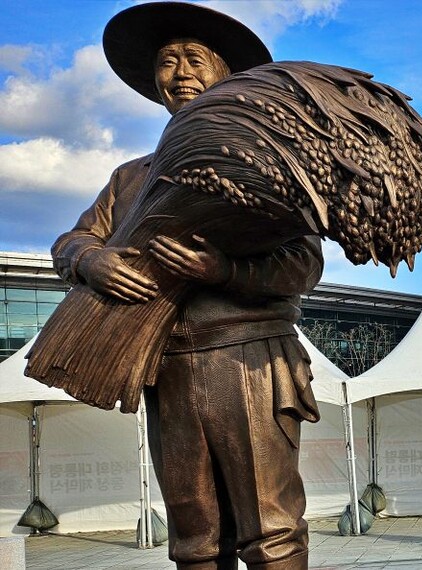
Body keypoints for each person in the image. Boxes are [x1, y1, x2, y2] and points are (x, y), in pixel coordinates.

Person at [51, 3, 323, 569]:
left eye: (194, 58)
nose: (179, 72)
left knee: (270, 529)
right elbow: (71, 240)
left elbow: (303, 262)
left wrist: (223, 271)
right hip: (168, 368)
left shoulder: (266, 163)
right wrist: (90, 261)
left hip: (248, 359)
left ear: (225, 74)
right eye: (167, 61)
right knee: (194, 534)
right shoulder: (131, 176)